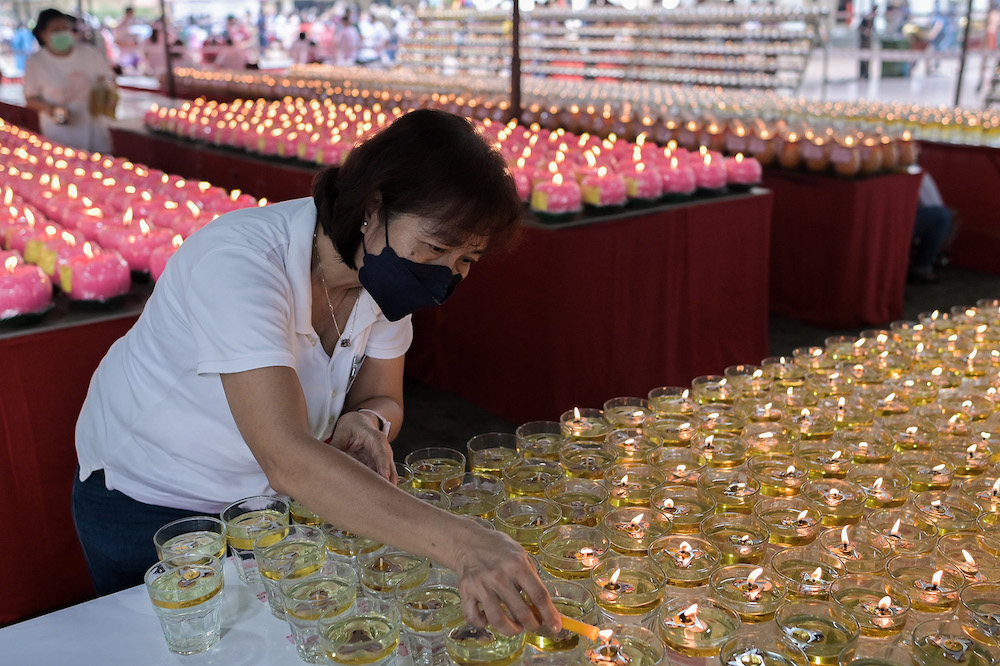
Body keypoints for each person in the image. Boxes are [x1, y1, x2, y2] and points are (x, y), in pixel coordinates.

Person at [71, 109, 561, 637]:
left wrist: (367, 423)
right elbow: (286, 454)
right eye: (438, 247)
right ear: (374, 205)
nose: (445, 275)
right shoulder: (240, 262)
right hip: (154, 500)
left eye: (469, 259)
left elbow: (383, 398)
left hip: (265, 504)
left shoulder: (385, 273)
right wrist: (463, 545)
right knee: (180, 641)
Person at [24, 9, 115, 153]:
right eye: (56, 30)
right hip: (60, 137)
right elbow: (30, 98)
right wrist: (53, 111)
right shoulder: (36, 63)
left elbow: (108, 80)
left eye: (65, 28)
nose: (62, 33)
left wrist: (107, 95)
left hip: (95, 134)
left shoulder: (90, 54)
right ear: (43, 34)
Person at [910, 171, 952, 284]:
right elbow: (935, 205)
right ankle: (922, 268)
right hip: (899, 223)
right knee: (942, 216)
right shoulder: (916, 173)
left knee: (941, 215)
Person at [858, 7, 877, 80]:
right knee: (863, 57)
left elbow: (873, 28)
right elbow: (860, 27)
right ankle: (862, 73)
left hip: (868, 41)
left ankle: (866, 73)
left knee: (868, 58)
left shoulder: (873, 19)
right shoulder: (866, 18)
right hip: (863, 41)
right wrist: (865, 31)